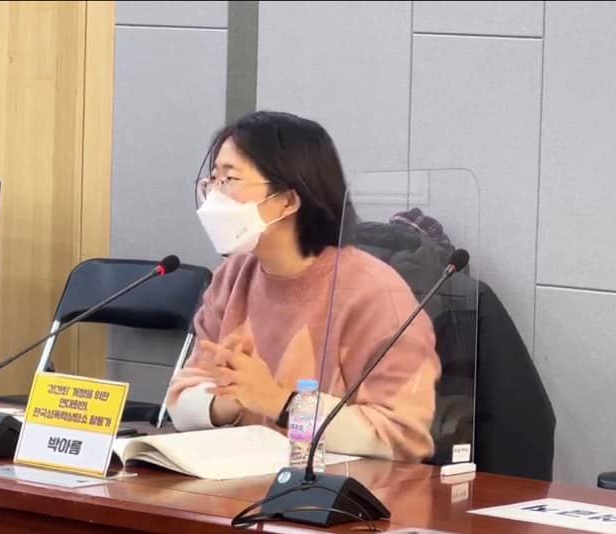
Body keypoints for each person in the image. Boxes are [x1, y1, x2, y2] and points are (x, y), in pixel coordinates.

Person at [165, 111, 440, 461]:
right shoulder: (233, 276)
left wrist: (280, 402)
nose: (214, 197)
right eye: (212, 180)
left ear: (288, 200)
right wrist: (227, 401)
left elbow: (402, 435)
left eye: (229, 179)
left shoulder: (375, 294)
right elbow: (180, 399)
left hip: (333, 488)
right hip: (238, 479)